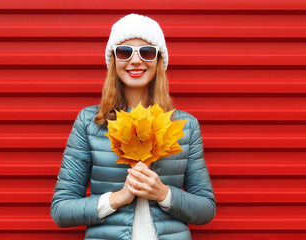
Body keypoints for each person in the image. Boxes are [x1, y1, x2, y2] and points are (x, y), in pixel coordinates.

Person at [51, 13, 215, 240]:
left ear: (159, 61)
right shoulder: (90, 123)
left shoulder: (184, 126)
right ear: (114, 60)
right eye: (125, 51)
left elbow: (206, 208)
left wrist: (164, 194)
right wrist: (118, 197)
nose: (136, 60)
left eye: (146, 52)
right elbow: (61, 210)